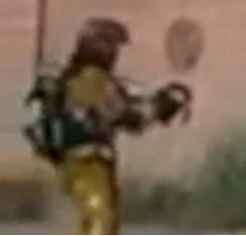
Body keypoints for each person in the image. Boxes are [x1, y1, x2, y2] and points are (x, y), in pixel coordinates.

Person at [23, 17, 191, 235]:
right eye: (111, 45)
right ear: (98, 46)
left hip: (74, 166)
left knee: (87, 222)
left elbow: (126, 105)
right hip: (87, 165)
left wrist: (158, 104)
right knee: (100, 220)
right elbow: (122, 113)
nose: (115, 53)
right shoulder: (90, 78)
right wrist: (164, 106)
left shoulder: (74, 77)